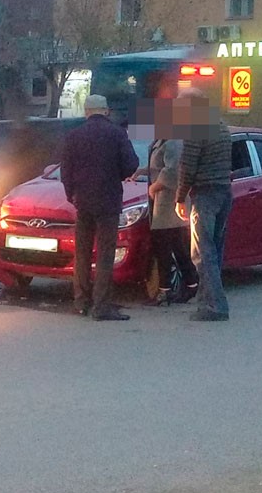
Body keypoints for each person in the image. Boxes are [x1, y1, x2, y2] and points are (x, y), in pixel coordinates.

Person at [59, 93, 139, 321]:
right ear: (106, 111)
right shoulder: (117, 133)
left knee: (82, 252)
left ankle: (81, 301)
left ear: (86, 112)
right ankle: (101, 305)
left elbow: (65, 171)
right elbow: (131, 164)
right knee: (105, 253)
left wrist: (72, 195)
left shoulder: (73, 135)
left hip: (83, 201)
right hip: (108, 200)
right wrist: (117, 174)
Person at [174, 89, 232, 322]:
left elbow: (187, 167)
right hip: (224, 192)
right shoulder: (221, 125)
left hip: (205, 194)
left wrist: (180, 198)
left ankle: (214, 306)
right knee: (214, 250)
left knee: (201, 252)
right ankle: (207, 300)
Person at [143, 122, 199, 306]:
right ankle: (190, 284)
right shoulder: (162, 140)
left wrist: (154, 186)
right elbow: (158, 166)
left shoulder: (174, 140)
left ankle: (166, 290)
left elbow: (172, 170)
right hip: (163, 200)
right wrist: (140, 172)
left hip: (169, 200)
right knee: (174, 245)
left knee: (165, 246)